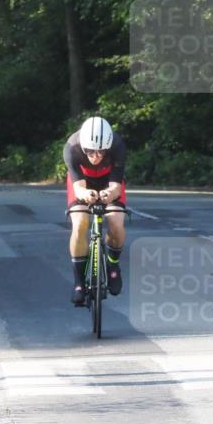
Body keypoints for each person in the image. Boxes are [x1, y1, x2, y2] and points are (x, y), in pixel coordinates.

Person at [64, 116, 127, 306]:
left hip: (109, 181)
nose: (95, 156)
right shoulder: (71, 147)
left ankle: (112, 264)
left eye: (101, 151)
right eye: (90, 151)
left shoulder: (118, 146)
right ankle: (79, 282)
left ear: (108, 146)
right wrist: (86, 194)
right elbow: (78, 188)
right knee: (80, 223)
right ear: (83, 146)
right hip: (82, 182)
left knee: (115, 223)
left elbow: (116, 186)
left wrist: (108, 194)